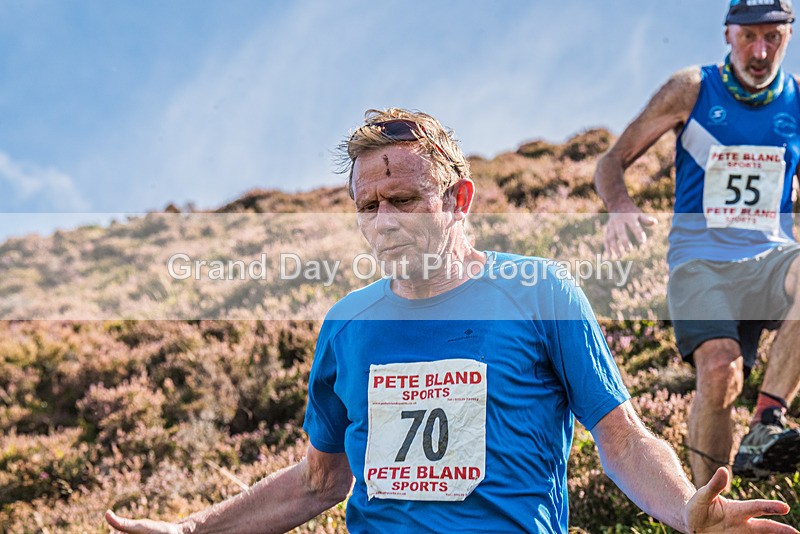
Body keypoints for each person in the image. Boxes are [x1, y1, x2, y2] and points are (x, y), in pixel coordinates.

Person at [106, 108, 796, 533]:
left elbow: (619, 439)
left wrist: (682, 509)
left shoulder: (539, 291)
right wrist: (194, 530)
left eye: (403, 199)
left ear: (459, 198)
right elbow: (321, 481)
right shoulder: (347, 326)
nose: (383, 222)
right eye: (367, 206)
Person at [594, 0, 800, 487]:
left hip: (771, 257)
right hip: (701, 261)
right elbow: (610, 161)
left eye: (772, 36)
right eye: (748, 36)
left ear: (788, 36)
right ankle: (711, 508)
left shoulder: (795, 102)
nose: (760, 49)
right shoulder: (691, 89)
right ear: (728, 34)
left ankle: (767, 420)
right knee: (720, 372)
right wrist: (621, 206)